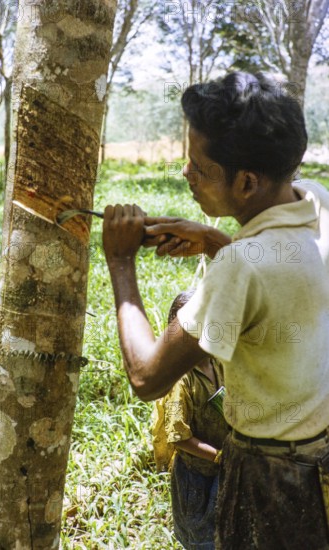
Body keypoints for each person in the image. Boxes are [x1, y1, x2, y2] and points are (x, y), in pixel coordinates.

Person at [102, 71, 329, 549]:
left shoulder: (240, 268)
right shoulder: (317, 203)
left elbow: (147, 377)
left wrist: (121, 263)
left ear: (246, 181)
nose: (186, 174)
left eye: (197, 166)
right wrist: (213, 239)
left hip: (269, 480)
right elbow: (283, 278)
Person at [152, 290, 229, 550]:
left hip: (221, 468)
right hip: (195, 475)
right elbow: (180, 437)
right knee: (199, 539)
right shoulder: (181, 379)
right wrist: (219, 456)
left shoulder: (217, 362)